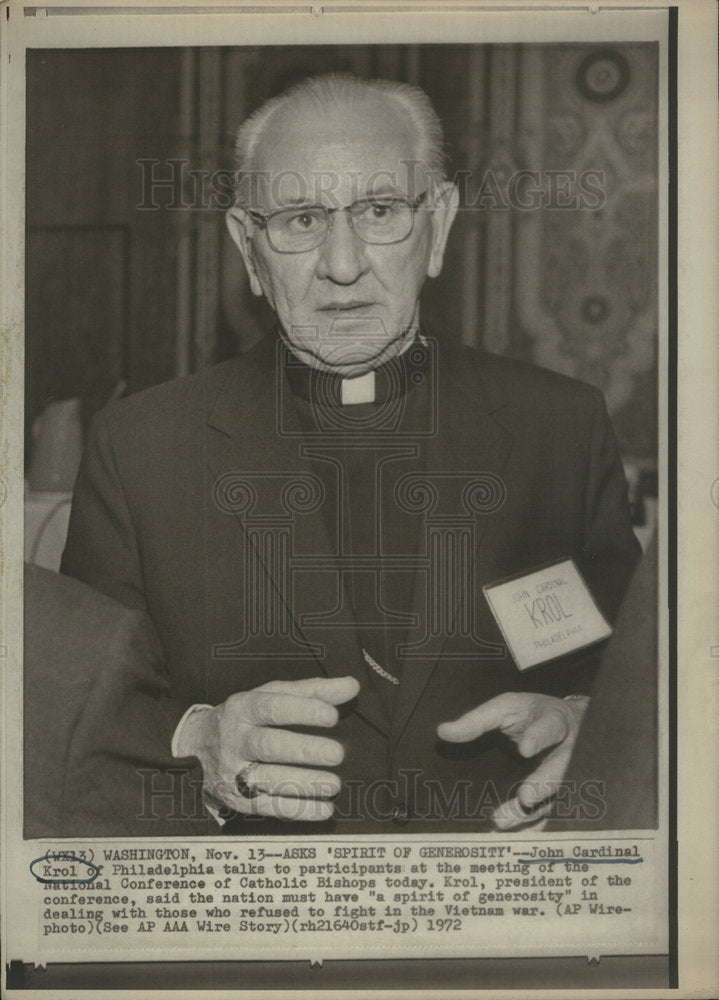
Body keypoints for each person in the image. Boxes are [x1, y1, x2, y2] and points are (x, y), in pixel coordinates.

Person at [61, 73, 641, 835]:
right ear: (248, 247)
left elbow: (632, 676)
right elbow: (79, 721)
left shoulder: (558, 426)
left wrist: (581, 722)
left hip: (502, 900)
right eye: (301, 219)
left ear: (436, 226)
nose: (342, 265)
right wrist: (195, 741)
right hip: (253, 916)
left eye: (378, 211)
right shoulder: (140, 448)